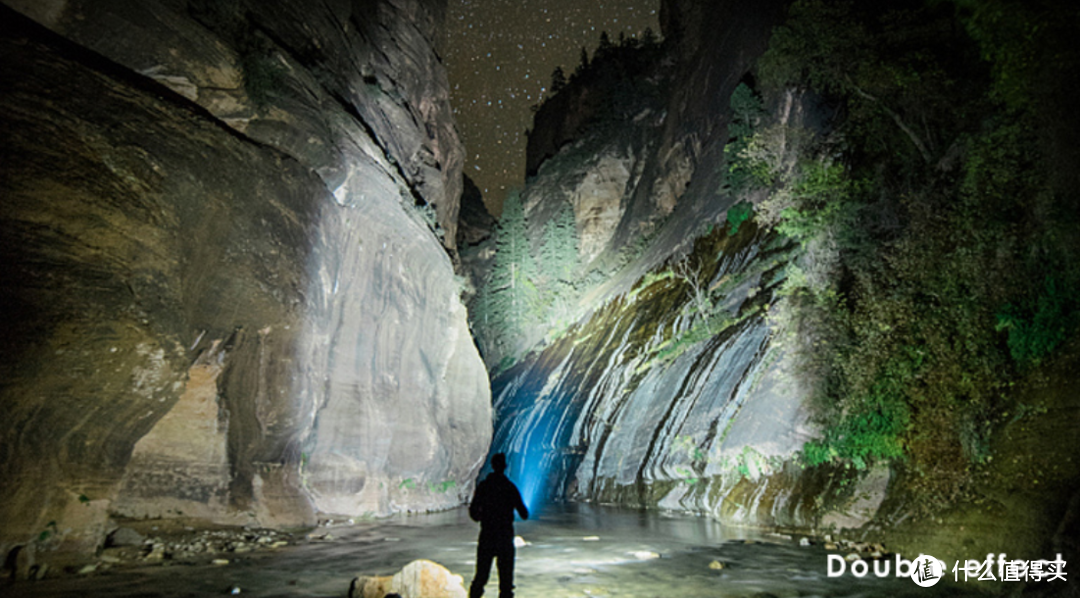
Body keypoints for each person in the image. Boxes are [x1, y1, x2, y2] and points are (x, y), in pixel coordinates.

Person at [468, 452, 528, 598]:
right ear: (504, 467)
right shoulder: (510, 488)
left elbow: (473, 512)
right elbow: (524, 514)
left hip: (487, 537)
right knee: (506, 583)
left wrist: (484, 518)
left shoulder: (484, 487)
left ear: (492, 466)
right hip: (505, 538)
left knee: (481, 577)